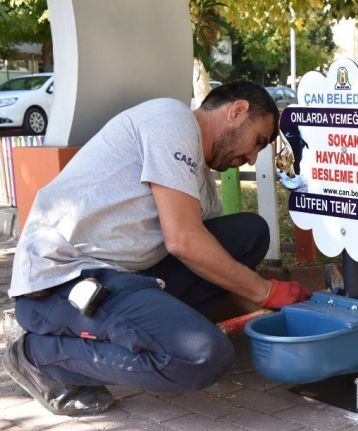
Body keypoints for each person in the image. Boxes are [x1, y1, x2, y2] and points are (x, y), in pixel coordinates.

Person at [3, 80, 311, 416]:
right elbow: (183, 241)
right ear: (237, 111)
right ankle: (41, 356)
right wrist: (266, 291)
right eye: (258, 142)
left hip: (126, 276)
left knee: (249, 233)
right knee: (202, 356)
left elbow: (211, 265)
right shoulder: (171, 118)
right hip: (62, 282)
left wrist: (270, 309)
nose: (252, 158)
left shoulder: (201, 183)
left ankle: (156, 329)